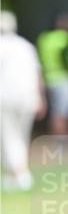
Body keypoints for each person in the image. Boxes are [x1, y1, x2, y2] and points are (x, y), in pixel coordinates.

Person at [0, 11, 46, 189]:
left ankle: (20, 174)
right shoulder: (26, 46)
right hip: (28, 97)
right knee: (21, 136)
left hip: (5, 98)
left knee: (9, 136)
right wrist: (40, 98)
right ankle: (16, 174)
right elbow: (37, 74)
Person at [36, 13, 68, 143]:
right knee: (64, 114)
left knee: (55, 113)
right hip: (63, 79)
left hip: (49, 79)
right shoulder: (65, 38)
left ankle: (56, 142)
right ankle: (63, 143)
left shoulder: (44, 38)